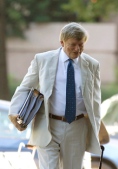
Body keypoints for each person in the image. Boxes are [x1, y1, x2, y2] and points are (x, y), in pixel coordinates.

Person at [9, 22, 103, 169]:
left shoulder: (92, 65)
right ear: (62, 42)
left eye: (81, 45)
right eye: (73, 44)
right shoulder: (43, 60)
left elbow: (95, 101)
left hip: (77, 126)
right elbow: (26, 86)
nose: (77, 49)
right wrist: (14, 112)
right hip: (48, 125)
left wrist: (95, 129)